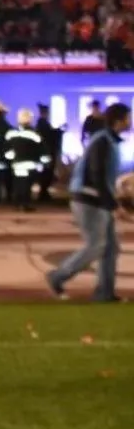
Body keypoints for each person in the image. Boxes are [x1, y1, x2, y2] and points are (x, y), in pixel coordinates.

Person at [47, 102, 130, 303]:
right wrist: (114, 205)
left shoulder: (109, 141)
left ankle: (104, 293)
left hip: (96, 199)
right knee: (97, 246)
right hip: (89, 200)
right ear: (119, 121)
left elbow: (104, 177)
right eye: (129, 117)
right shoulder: (103, 141)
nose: (131, 121)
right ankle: (57, 276)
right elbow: (97, 174)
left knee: (110, 247)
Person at [4, 108, 43, 212]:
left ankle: (18, 203)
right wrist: (42, 161)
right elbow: (40, 148)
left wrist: (10, 156)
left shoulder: (12, 133)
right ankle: (25, 204)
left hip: (17, 163)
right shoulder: (34, 134)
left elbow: (7, 148)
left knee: (19, 183)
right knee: (27, 184)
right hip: (30, 164)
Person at [34, 103, 61, 203]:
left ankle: (44, 192)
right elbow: (48, 137)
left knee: (47, 173)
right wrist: (58, 132)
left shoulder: (43, 123)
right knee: (46, 173)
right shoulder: (42, 124)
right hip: (46, 153)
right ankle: (43, 193)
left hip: (46, 153)